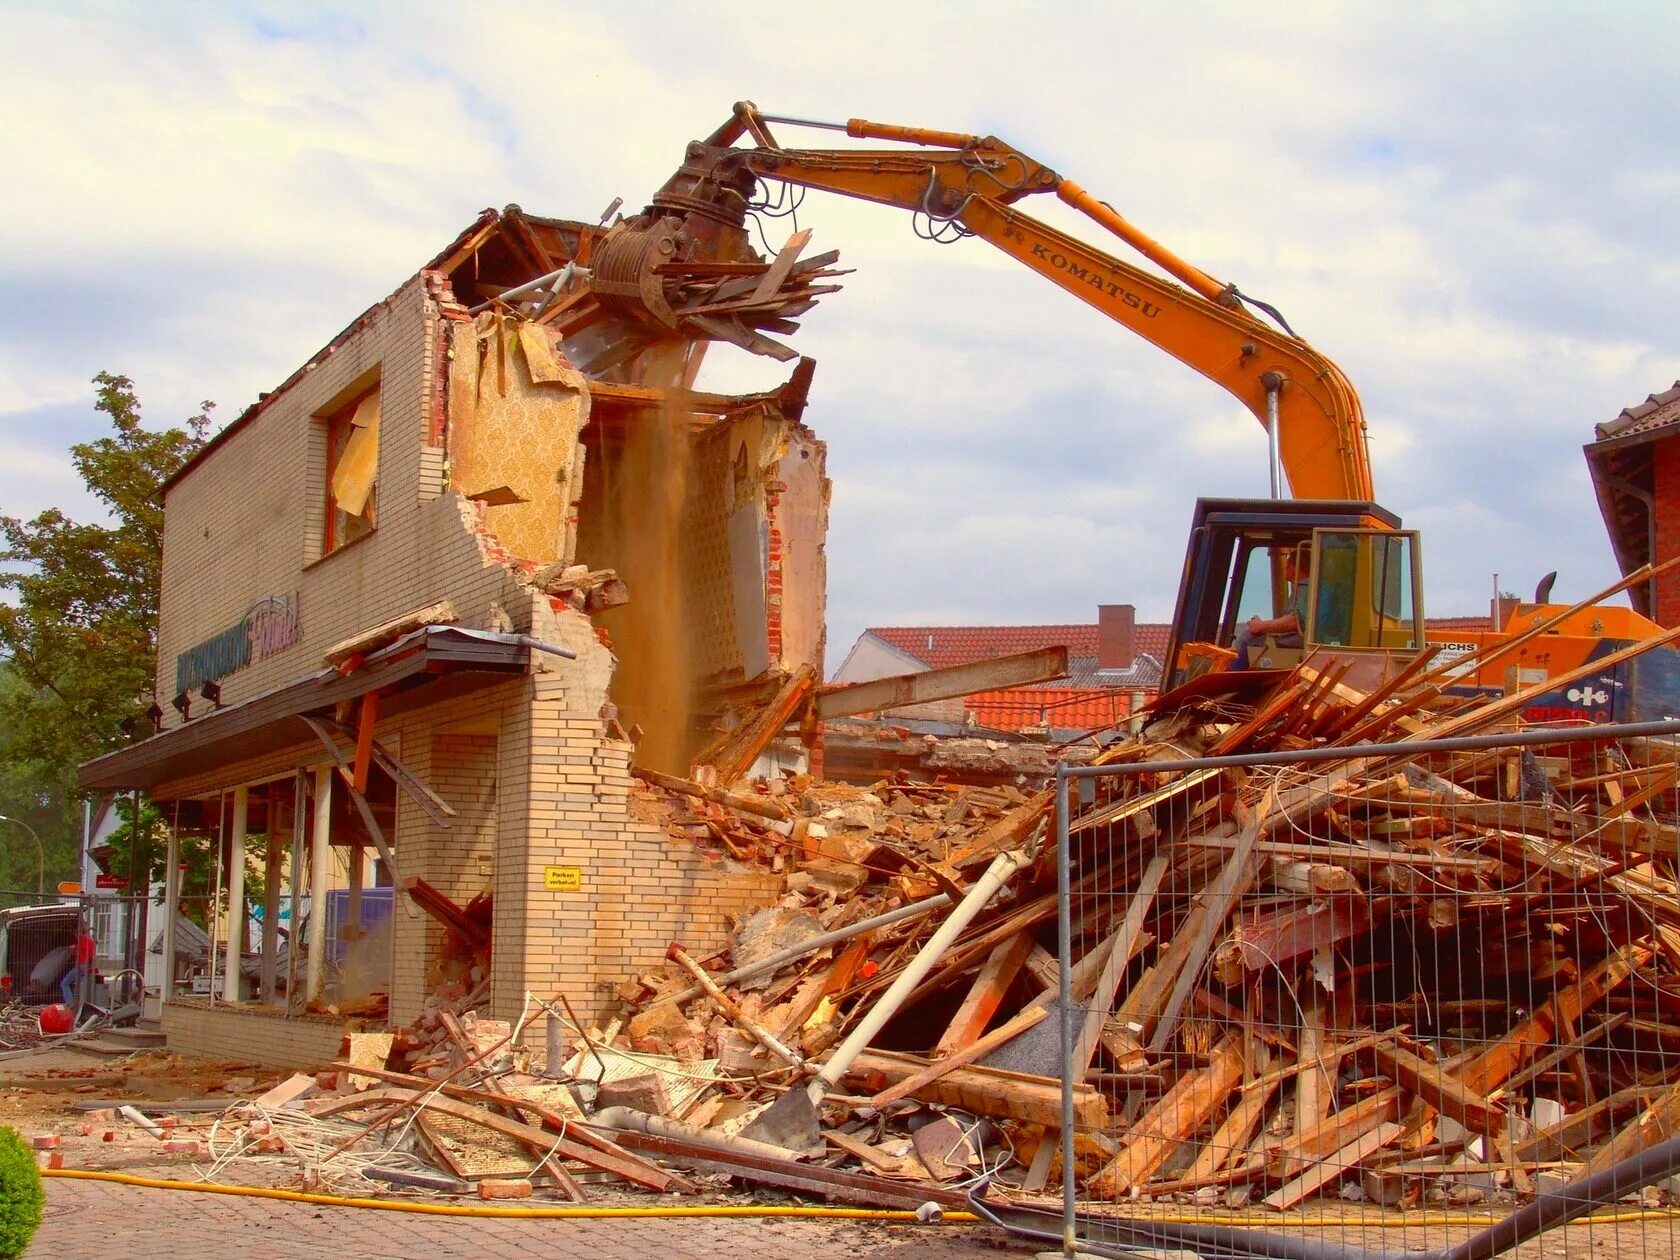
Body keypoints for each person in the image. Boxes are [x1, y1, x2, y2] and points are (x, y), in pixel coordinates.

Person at [1229, 551, 1307, 670]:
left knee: (1247, 638)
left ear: (1294, 568)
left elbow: (1294, 621)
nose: (1285, 568)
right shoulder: (1304, 588)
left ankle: (1232, 680)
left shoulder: (1305, 588)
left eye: (1287, 565)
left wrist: (1261, 626)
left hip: (1299, 640)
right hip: (1298, 638)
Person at [60, 927, 95, 1007]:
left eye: (75, 934)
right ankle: (82, 1002)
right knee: (82, 985)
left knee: (64, 983)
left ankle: (70, 1003)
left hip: (81, 965)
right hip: (88, 966)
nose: (75, 936)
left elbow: (80, 947)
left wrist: (74, 947)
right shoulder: (91, 942)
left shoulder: (82, 941)